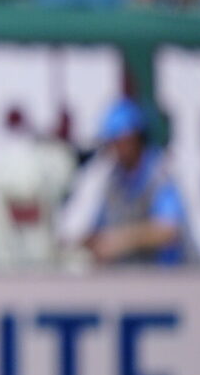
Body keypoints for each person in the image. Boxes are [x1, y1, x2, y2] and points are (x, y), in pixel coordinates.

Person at [56, 99, 188, 265]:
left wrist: (122, 241)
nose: (118, 148)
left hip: (165, 272)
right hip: (125, 272)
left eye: (123, 141)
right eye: (113, 142)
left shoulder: (159, 174)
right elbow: (89, 224)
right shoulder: (110, 175)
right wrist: (85, 240)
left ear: (138, 138)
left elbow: (168, 230)